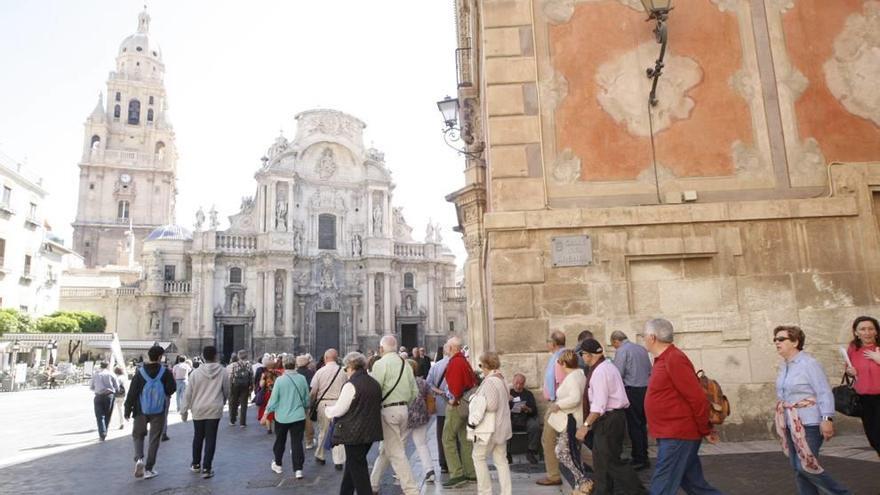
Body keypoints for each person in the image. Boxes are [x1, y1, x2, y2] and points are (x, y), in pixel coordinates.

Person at [642, 318, 721, 495]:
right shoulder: (664, 359)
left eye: (644, 336)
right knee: (696, 486)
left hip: (678, 434)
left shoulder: (674, 358)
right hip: (672, 433)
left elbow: (697, 398)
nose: (644, 339)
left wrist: (706, 429)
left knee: (661, 487)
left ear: (652, 337)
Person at [774, 325, 851, 494]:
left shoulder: (809, 363)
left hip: (809, 423)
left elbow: (824, 392)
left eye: (781, 339)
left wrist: (827, 419)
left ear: (795, 342)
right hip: (790, 423)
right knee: (798, 468)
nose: (776, 342)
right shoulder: (784, 366)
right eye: (775, 339)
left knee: (806, 466)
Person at [576, 339, 645, 495]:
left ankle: (639, 492)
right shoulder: (606, 366)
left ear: (589, 355)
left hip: (609, 419)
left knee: (611, 461)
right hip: (611, 418)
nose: (582, 358)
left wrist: (585, 426)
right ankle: (603, 491)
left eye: (583, 354)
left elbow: (598, 406)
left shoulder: (600, 372)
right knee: (601, 461)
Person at [326, 352, 383, 495]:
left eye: (346, 368)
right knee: (352, 466)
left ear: (351, 366)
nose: (346, 371)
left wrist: (328, 411)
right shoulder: (374, 383)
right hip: (370, 431)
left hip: (354, 433)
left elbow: (340, 408)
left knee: (358, 469)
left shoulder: (351, 385)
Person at [369, 335, 419, 495]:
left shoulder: (380, 364)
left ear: (381, 349)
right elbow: (414, 392)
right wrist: (403, 403)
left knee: (396, 452)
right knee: (387, 450)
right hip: (404, 410)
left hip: (388, 411)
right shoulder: (406, 364)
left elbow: (375, 390)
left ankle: (411, 489)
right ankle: (373, 485)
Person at [125, 345, 176, 480]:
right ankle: (149, 468)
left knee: (138, 435)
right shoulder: (165, 372)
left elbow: (132, 392)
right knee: (154, 439)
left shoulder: (140, 372)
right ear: (160, 357)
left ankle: (139, 459)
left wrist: (127, 409)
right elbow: (172, 389)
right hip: (158, 410)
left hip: (140, 409)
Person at [546, 350, 590, 494]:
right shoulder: (579, 375)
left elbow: (575, 398)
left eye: (559, 363)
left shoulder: (573, 377)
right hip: (572, 419)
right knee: (573, 453)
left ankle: (583, 480)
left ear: (564, 363)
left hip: (569, 420)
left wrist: (558, 405)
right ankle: (580, 487)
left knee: (562, 452)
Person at [181, 345, 229, 479]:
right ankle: (207, 468)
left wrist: (184, 410)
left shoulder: (195, 373)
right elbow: (226, 390)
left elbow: (188, 393)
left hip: (198, 409)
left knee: (198, 436)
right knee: (211, 438)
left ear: (202, 357)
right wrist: (223, 401)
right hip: (214, 409)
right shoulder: (223, 371)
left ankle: (196, 464)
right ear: (216, 356)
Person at [469, 351, 512, 495]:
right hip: (502, 427)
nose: (481, 368)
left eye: (481, 365)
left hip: (490, 429)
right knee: (501, 461)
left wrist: (477, 402)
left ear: (486, 365)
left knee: (478, 457)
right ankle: (507, 492)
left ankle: (485, 492)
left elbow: (492, 405)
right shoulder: (501, 379)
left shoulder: (490, 381)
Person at [610, 330, 652, 470]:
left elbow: (617, 373)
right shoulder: (641, 349)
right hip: (645, 390)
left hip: (632, 390)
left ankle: (639, 458)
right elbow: (649, 370)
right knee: (641, 425)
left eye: (614, 345)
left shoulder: (622, 350)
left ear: (616, 341)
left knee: (634, 426)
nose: (615, 347)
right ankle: (643, 456)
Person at [263, 354, 310, 480]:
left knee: (280, 441)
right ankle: (298, 469)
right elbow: (306, 398)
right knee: (297, 443)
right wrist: (305, 407)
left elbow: (273, 400)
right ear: (294, 364)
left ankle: (278, 464)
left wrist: (265, 414)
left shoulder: (280, 380)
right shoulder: (302, 379)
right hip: (298, 417)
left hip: (282, 417)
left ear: (283, 364)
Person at [845, 315, 880, 457]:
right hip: (864, 399)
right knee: (874, 438)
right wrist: (850, 371)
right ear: (856, 332)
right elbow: (850, 369)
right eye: (863, 329)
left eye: (871, 329)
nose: (867, 332)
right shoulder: (853, 349)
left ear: (877, 331)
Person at [537, 330, 568, 486]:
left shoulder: (560, 359)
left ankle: (554, 475)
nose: (547, 344)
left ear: (554, 343)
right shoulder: (558, 356)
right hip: (556, 403)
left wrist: (557, 403)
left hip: (557, 404)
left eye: (548, 341)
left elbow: (563, 382)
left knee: (548, 439)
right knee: (569, 440)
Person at [310, 349, 347, 469]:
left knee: (323, 431)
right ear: (337, 358)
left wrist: (311, 404)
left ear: (325, 358)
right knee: (339, 432)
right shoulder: (343, 372)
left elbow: (313, 391)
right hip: (339, 403)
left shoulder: (320, 372)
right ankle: (338, 461)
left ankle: (320, 455)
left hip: (324, 404)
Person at [404, 358, 436, 483]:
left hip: (406, 416)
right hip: (421, 416)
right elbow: (429, 396)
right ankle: (429, 471)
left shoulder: (403, 383)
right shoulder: (422, 382)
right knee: (422, 444)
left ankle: (401, 471)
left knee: (400, 445)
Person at [427, 342, 452, 474]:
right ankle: (455, 461)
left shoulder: (436, 366)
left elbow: (428, 384)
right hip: (456, 405)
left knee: (441, 435)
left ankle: (443, 464)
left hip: (441, 406)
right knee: (455, 435)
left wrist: (439, 391)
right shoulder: (460, 364)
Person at [509, 372, 541, 464]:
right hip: (512, 418)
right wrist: (508, 401)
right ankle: (507, 453)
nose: (518, 386)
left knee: (535, 426)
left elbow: (534, 410)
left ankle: (531, 451)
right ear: (513, 382)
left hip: (525, 417)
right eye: (516, 383)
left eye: (521, 383)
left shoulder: (528, 394)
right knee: (504, 426)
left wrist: (527, 409)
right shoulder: (508, 393)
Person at [90, 361, 120, 441]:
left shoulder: (96, 374)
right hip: (109, 396)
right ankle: (105, 431)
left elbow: (91, 387)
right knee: (107, 414)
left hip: (98, 396)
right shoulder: (111, 374)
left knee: (99, 416)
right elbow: (117, 387)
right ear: (107, 366)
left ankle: (102, 433)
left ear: (101, 366)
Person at [296, 354, 317, 449]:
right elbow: (313, 386)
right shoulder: (310, 373)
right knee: (307, 420)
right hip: (307, 398)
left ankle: (297, 442)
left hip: (295, 399)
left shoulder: (295, 373)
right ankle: (309, 441)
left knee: (296, 421)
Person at [229, 349, 253, 427]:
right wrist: (251, 385)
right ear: (246, 356)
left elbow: (231, 376)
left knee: (234, 403)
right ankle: (242, 423)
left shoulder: (234, 365)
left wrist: (230, 386)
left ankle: (232, 421)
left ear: (238, 356)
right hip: (245, 386)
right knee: (244, 404)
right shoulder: (249, 365)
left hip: (235, 385)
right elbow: (251, 376)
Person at [258, 355, 281, 434]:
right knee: (277, 409)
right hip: (277, 393)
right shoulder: (278, 373)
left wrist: (262, 380)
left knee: (268, 409)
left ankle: (269, 428)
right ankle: (277, 425)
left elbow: (261, 385)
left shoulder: (265, 374)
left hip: (268, 393)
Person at [172, 356, 191, 421]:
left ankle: (178, 408)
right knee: (184, 395)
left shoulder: (176, 366)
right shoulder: (186, 366)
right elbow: (189, 371)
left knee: (177, 395)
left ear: (179, 360)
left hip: (177, 381)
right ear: (185, 360)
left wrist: (175, 379)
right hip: (185, 380)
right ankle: (183, 408)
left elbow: (173, 373)